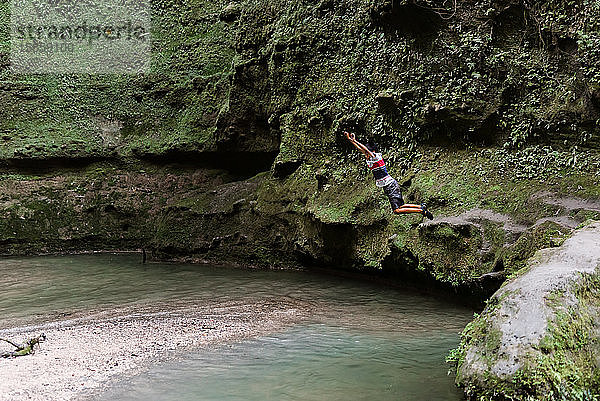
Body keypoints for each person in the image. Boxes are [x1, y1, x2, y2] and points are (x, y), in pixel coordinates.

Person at [345, 131, 433, 219]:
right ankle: (420, 207)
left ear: (373, 151)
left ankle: (421, 210)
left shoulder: (376, 157)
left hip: (390, 185)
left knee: (397, 210)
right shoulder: (370, 159)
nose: (366, 155)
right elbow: (363, 151)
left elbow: (366, 150)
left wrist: (355, 141)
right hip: (389, 186)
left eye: (367, 153)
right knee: (401, 206)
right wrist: (351, 141)